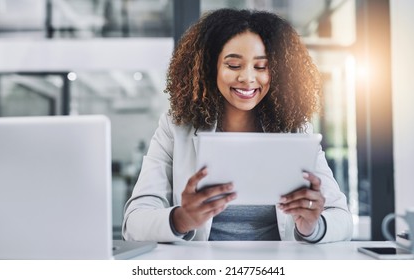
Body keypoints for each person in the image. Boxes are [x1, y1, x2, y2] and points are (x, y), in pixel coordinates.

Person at [122, 8, 353, 243]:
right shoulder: (175, 128)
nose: (248, 78)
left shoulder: (296, 129)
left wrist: (312, 226)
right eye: (233, 66)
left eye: (261, 67)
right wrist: (181, 219)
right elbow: (134, 224)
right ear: (210, 68)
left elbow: (342, 220)